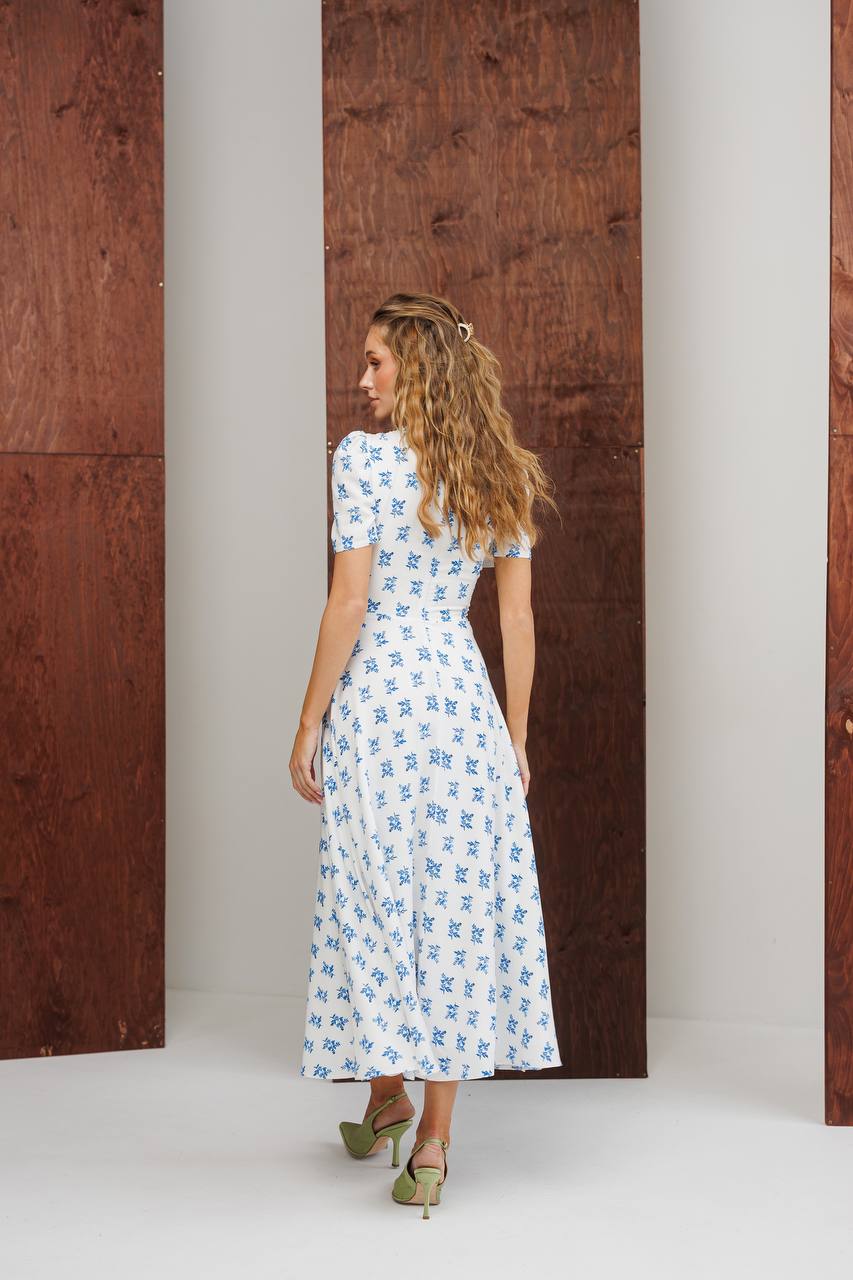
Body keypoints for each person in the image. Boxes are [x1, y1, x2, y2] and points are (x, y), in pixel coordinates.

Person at [290, 291, 562, 1218]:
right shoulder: (500, 470)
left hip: (378, 705)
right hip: (462, 704)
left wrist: (307, 720)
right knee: (447, 908)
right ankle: (422, 1136)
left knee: (371, 897)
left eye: (375, 361)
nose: (360, 378)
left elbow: (348, 605)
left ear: (417, 367)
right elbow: (517, 620)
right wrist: (515, 740)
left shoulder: (362, 461)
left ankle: (388, 1091)